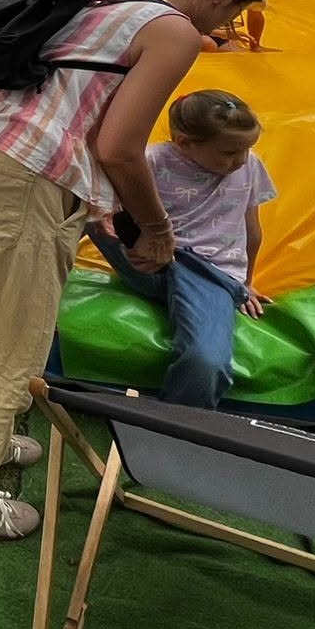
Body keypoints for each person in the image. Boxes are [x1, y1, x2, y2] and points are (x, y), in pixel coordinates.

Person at [0, 0, 271, 541]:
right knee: (9, 338)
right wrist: (156, 228)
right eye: (233, 13)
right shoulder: (174, 32)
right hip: (20, 166)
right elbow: (119, 147)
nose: (222, 29)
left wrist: (95, 201)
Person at [90, 91, 276, 409]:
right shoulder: (151, 161)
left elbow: (252, 229)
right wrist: (103, 215)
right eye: (230, 152)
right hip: (149, 261)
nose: (242, 159)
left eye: (247, 148)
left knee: (206, 362)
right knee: (80, 202)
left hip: (208, 274)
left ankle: (176, 419)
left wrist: (245, 283)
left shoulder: (249, 168)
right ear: (184, 142)